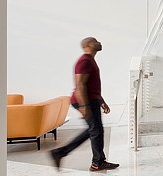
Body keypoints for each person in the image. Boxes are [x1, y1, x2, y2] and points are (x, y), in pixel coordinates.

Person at [50, 37, 119, 172]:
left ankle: (61, 153)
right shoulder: (84, 61)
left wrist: (101, 100)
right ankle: (97, 163)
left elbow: (91, 85)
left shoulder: (90, 60)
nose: (99, 42)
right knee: (96, 130)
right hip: (85, 101)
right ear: (87, 45)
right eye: (95, 41)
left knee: (95, 130)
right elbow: (80, 85)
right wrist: (84, 106)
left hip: (91, 100)